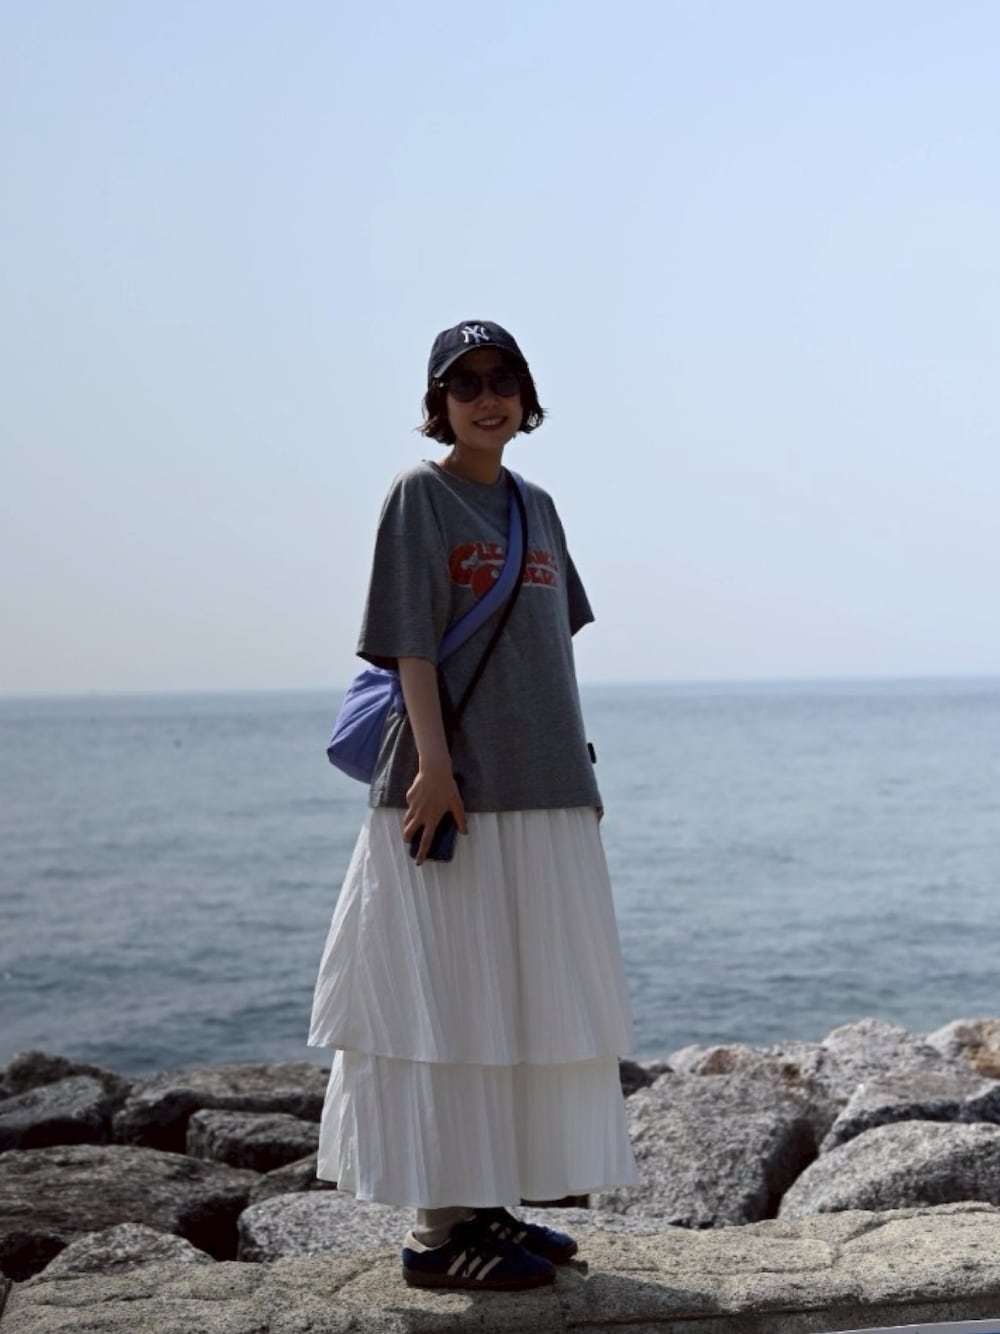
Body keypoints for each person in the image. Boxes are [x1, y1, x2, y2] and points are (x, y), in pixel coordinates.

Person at [309, 319, 636, 1292]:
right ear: (439, 403)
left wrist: (580, 772)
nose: (486, 398)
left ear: (525, 397)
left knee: (517, 999)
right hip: (448, 791)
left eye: (503, 380)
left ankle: (484, 1199)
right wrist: (436, 768)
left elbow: (550, 652)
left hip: (545, 789)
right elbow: (411, 643)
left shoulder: (538, 507)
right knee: (443, 1000)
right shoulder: (420, 495)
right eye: (465, 384)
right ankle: (433, 1233)